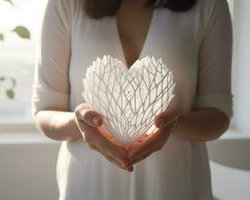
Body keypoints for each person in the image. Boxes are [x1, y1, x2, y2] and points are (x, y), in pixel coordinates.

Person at [31, 0, 233, 199]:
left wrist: (174, 122)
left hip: (175, 184)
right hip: (88, 185)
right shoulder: (66, 3)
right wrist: (79, 122)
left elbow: (218, 113)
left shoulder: (209, 4)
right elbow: (45, 111)